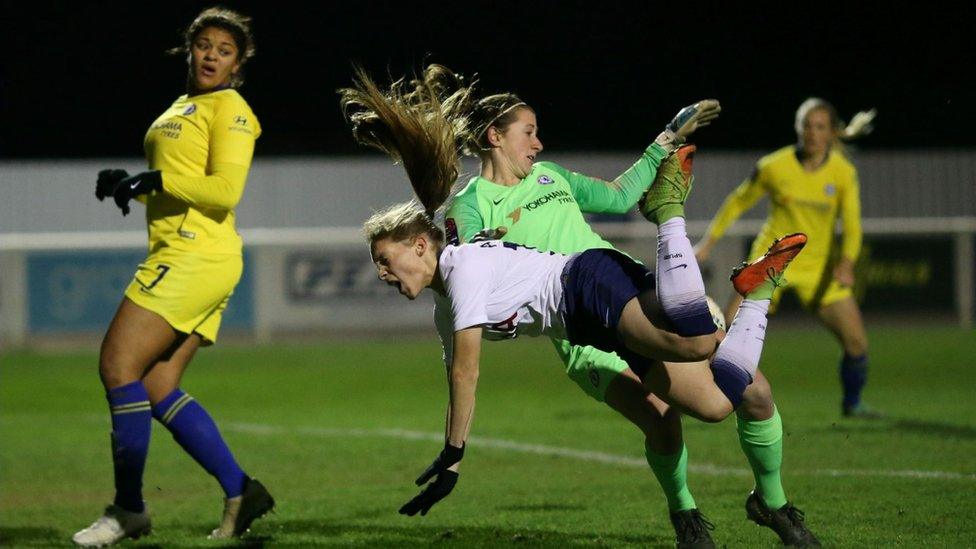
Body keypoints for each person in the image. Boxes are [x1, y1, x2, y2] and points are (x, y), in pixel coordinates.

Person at [340, 67, 817, 547]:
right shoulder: (468, 206)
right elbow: (464, 258)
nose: (538, 143)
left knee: (752, 391)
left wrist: (666, 137)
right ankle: (686, 515)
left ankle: (773, 503)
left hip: (611, 283)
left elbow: (620, 196)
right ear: (495, 137)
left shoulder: (551, 177)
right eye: (529, 132)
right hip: (584, 338)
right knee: (664, 416)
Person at [73, 8, 273, 547]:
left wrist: (157, 177)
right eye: (203, 44)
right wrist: (134, 185)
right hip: (188, 252)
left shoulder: (231, 109)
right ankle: (240, 490)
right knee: (157, 384)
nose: (211, 55)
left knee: (118, 366)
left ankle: (129, 509)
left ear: (238, 63)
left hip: (194, 256)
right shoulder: (183, 107)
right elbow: (179, 180)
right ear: (189, 50)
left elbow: (223, 191)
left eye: (224, 49)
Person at [695, 98, 878, 418]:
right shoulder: (773, 166)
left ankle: (853, 404)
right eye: (806, 125)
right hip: (771, 261)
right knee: (725, 335)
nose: (811, 132)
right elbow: (737, 202)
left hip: (817, 269)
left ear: (832, 133)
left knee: (857, 344)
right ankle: (705, 396)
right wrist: (708, 243)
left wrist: (846, 263)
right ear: (798, 128)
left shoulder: (843, 173)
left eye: (820, 126)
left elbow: (851, 225)